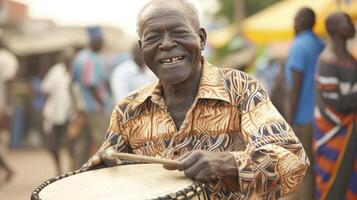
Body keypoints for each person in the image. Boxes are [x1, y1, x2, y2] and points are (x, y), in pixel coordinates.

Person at [82, 0, 309, 199]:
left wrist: (227, 163)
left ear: (201, 39)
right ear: (142, 49)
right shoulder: (127, 110)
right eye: (153, 38)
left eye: (179, 32)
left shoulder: (240, 89)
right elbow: (107, 181)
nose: (166, 44)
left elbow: (294, 164)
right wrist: (101, 173)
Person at [314, 12, 357, 200]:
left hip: (350, 129)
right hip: (332, 131)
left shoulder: (351, 58)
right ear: (334, 29)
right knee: (333, 182)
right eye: (346, 21)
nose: (352, 25)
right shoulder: (327, 60)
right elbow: (337, 103)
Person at [284, 7, 325, 200]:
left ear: (300, 22)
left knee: (303, 168)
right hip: (322, 117)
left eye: (294, 20)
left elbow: (295, 88)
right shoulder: (320, 44)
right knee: (319, 166)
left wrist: (289, 120)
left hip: (303, 119)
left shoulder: (299, 45)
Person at [71, 26, 112, 169]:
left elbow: (73, 83)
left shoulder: (80, 57)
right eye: (101, 41)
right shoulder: (89, 59)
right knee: (102, 142)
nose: (103, 44)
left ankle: (77, 172)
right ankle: (105, 173)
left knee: (83, 143)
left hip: (85, 107)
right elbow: (91, 84)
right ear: (95, 41)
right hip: (96, 107)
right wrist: (101, 103)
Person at [41, 48, 74, 175]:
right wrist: (45, 110)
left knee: (71, 146)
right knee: (53, 147)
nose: (67, 62)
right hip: (55, 115)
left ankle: (71, 171)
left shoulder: (75, 71)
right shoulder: (55, 71)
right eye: (66, 59)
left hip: (70, 116)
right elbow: (46, 89)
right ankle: (58, 171)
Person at [0, 38, 18, 182]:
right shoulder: (7, 58)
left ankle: (7, 169)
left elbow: (9, 82)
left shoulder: (6, 58)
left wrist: (7, 106)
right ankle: (7, 169)